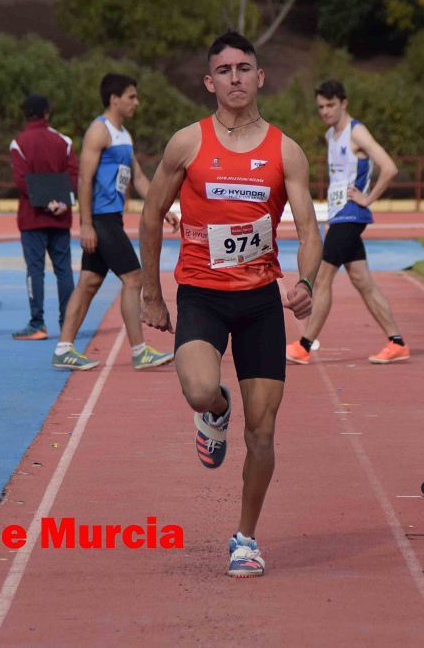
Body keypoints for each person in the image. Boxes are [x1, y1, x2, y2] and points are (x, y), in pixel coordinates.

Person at [140, 31, 321, 577]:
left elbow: (310, 227)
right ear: (209, 81)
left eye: (245, 68)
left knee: (263, 432)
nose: (236, 78)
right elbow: (150, 217)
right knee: (198, 389)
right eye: (225, 70)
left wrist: (307, 280)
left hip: (260, 301)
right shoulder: (187, 144)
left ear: (260, 77)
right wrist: (151, 292)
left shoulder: (285, 150)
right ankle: (215, 411)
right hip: (201, 295)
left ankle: (245, 537)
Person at [51, 73, 177, 371]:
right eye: (131, 96)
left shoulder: (124, 135)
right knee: (133, 279)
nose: (136, 102)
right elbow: (84, 178)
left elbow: (140, 178)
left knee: (89, 283)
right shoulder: (99, 131)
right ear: (114, 99)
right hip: (101, 219)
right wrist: (86, 224)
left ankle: (64, 348)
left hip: (111, 219)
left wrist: (161, 207)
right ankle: (139, 350)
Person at [285, 80, 410, 366]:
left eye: (330, 105)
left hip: (352, 214)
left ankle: (304, 345)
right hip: (339, 215)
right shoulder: (331, 135)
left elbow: (389, 167)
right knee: (362, 280)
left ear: (344, 103)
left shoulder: (357, 132)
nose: (325, 112)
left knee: (324, 276)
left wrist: (368, 199)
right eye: (321, 107)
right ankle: (397, 342)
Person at [9, 93, 77, 340]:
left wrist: (44, 202)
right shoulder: (64, 141)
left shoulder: (19, 143)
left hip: (32, 218)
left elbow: (21, 180)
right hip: (60, 217)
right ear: (47, 113)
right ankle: (69, 323)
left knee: (35, 270)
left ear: (25, 114)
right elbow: (73, 176)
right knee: (64, 270)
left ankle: (37, 324)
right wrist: (61, 202)